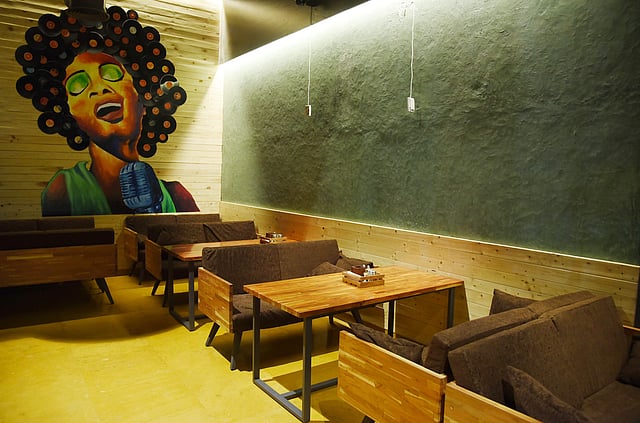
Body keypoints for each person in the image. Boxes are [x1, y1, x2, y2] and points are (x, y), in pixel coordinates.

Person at [15, 7, 199, 216]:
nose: (99, 89)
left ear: (142, 97)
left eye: (111, 73)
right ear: (71, 116)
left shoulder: (177, 195)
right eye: (78, 85)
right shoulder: (63, 189)